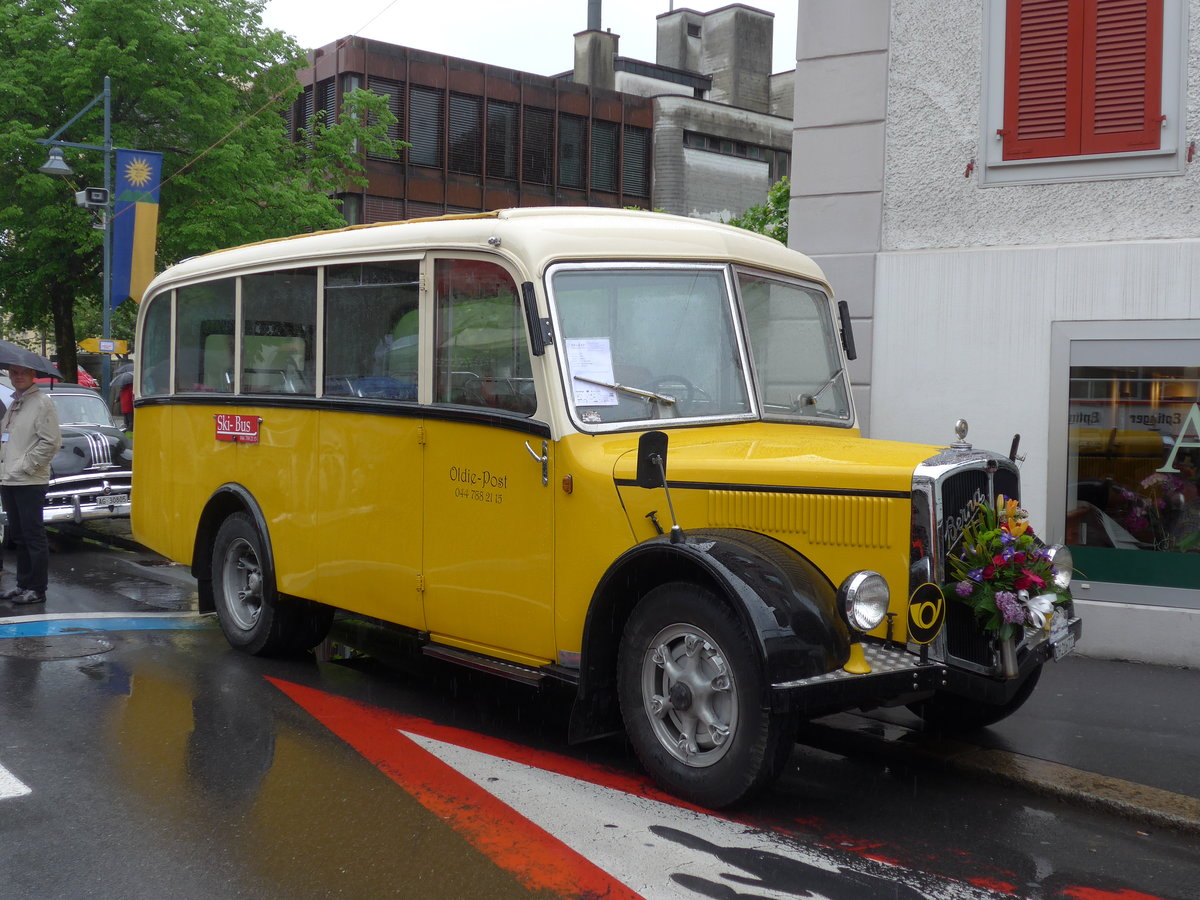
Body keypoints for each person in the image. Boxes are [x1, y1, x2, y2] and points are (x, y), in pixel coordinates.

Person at [0, 365, 62, 605]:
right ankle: (22, 584)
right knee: (19, 535)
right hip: (9, 479)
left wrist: (25, 466)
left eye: (23, 373)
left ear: (33, 376)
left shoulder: (41, 402)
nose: (18, 377)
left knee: (33, 535)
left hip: (28, 479)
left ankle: (37, 589)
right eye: (14, 373)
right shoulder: (15, 404)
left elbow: (51, 442)